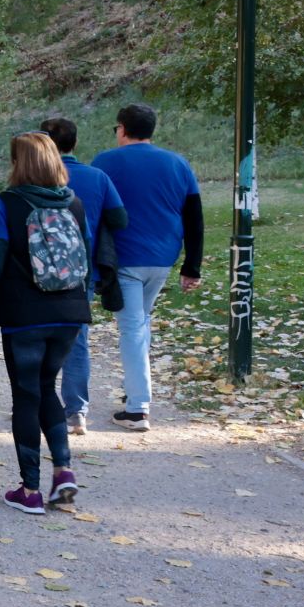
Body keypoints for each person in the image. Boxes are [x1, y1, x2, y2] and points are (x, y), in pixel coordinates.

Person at [0, 133, 92, 514]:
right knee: (47, 388)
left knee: (25, 395)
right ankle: (64, 472)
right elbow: (86, 253)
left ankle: (30, 490)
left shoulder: (7, 204)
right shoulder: (74, 203)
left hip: (24, 316)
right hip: (69, 313)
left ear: (20, 164)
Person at [90, 103, 203, 432]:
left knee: (132, 330)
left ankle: (138, 408)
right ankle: (134, 390)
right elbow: (194, 218)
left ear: (122, 129)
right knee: (141, 323)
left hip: (124, 259)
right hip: (163, 259)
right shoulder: (178, 164)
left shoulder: (105, 162)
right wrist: (191, 267)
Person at [40, 117, 128, 436]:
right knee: (76, 341)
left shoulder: (32, 179)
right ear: (74, 144)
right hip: (81, 273)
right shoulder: (96, 177)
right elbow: (119, 219)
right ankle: (76, 412)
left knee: (35, 337)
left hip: (37, 273)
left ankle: (37, 405)